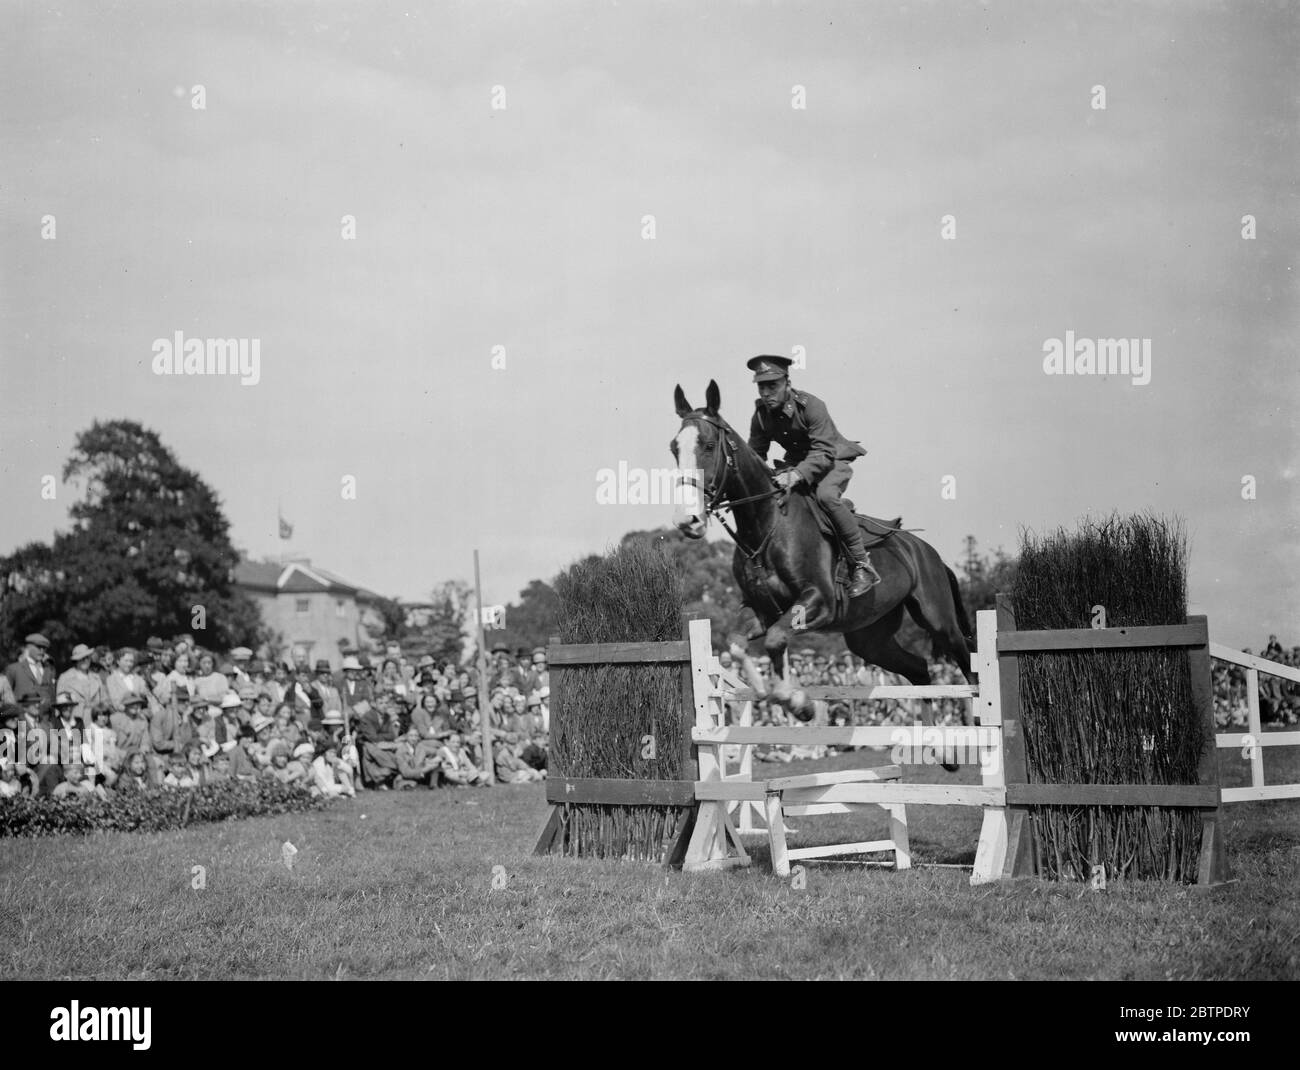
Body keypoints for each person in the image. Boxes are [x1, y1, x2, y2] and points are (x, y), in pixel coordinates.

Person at [745, 354, 879, 597]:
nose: (766, 393)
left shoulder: (812, 406)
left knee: (826, 496)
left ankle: (861, 565)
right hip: (797, 464)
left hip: (831, 460)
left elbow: (824, 451)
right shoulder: (761, 416)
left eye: (772, 385)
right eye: (761, 386)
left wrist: (796, 475)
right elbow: (756, 455)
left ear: (787, 382)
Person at [5, 633, 55, 715]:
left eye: (44, 648)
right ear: (28, 647)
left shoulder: (48, 670)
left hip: (45, 721)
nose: (42, 651)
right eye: (39, 647)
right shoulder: (14, 669)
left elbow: (52, 697)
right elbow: (6, 697)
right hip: (21, 720)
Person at [55, 643, 101, 728]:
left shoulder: (96, 677)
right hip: (74, 722)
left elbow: (103, 702)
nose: (85, 661)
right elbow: (59, 705)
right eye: (81, 658)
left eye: (87, 657)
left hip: (95, 723)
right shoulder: (65, 677)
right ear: (76, 661)